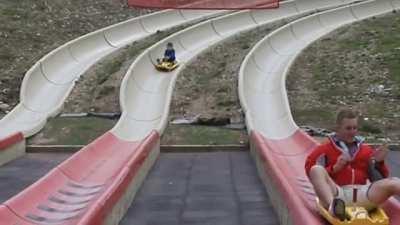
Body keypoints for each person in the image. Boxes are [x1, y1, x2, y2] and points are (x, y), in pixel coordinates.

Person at [305, 108, 400, 221]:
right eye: (348, 128)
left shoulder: (366, 150)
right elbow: (310, 170)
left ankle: (337, 208)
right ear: (338, 128)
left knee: (394, 182)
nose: (352, 132)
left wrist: (378, 163)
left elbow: (378, 179)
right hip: (337, 193)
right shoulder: (325, 149)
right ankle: (334, 209)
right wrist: (334, 168)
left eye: (355, 128)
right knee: (316, 169)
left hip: (363, 194)